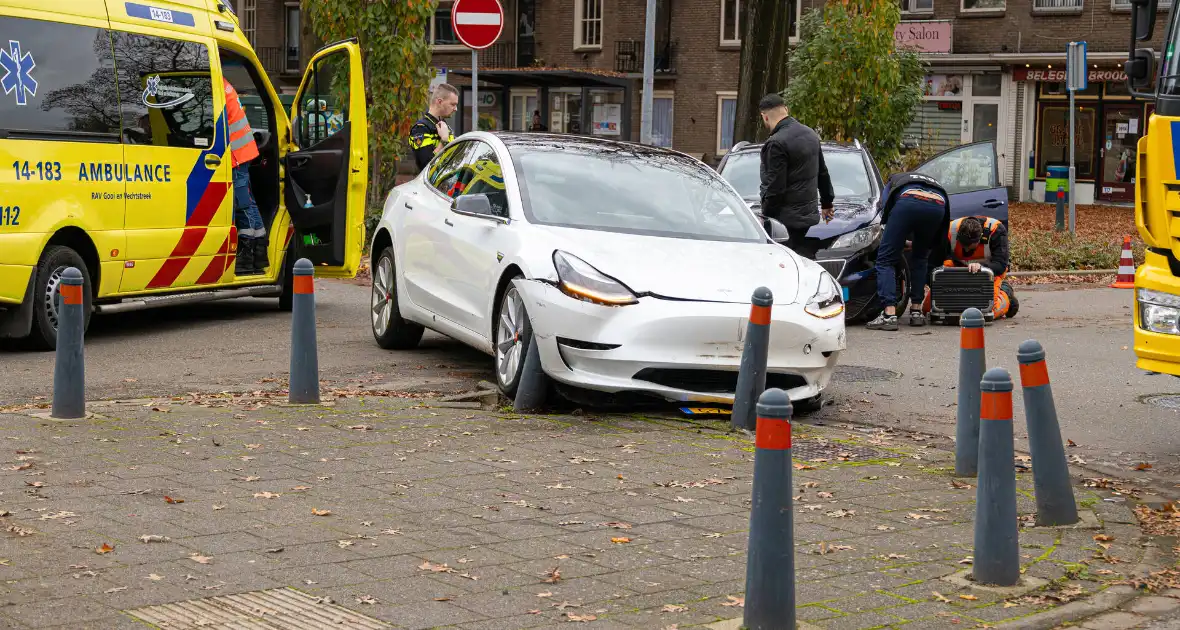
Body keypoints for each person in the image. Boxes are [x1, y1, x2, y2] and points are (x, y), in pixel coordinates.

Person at [866, 172, 951, 331]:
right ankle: (916, 312)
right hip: (939, 204)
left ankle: (889, 315)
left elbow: (884, 209)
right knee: (920, 258)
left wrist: (894, 242)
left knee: (885, 260)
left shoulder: (893, 180)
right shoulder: (927, 180)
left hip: (908, 202)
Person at [757, 93, 834, 260]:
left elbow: (775, 189)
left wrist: (766, 217)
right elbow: (822, 172)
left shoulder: (776, 143)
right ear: (786, 109)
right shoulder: (810, 134)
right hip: (807, 217)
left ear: (765, 117)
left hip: (784, 222)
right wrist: (827, 202)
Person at [224, 78, 267, 276]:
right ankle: (258, 255)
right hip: (242, 152)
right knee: (247, 202)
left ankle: (247, 254)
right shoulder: (223, 83)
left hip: (237, 154)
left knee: (243, 204)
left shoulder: (217, 84)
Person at [944, 216, 1013, 319]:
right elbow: (940, 258)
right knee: (930, 307)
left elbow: (1000, 265)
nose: (966, 250)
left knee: (989, 311)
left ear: (980, 238)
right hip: (958, 272)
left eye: (969, 246)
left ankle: (1005, 292)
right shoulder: (950, 230)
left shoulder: (996, 230)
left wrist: (981, 267)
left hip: (989, 274)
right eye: (963, 245)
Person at [409, 83, 459, 172]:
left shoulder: (444, 125)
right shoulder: (421, 128)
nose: (456, 109)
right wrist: (443, 141)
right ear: (439, 102)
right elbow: (426, 166)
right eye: (453, 104)